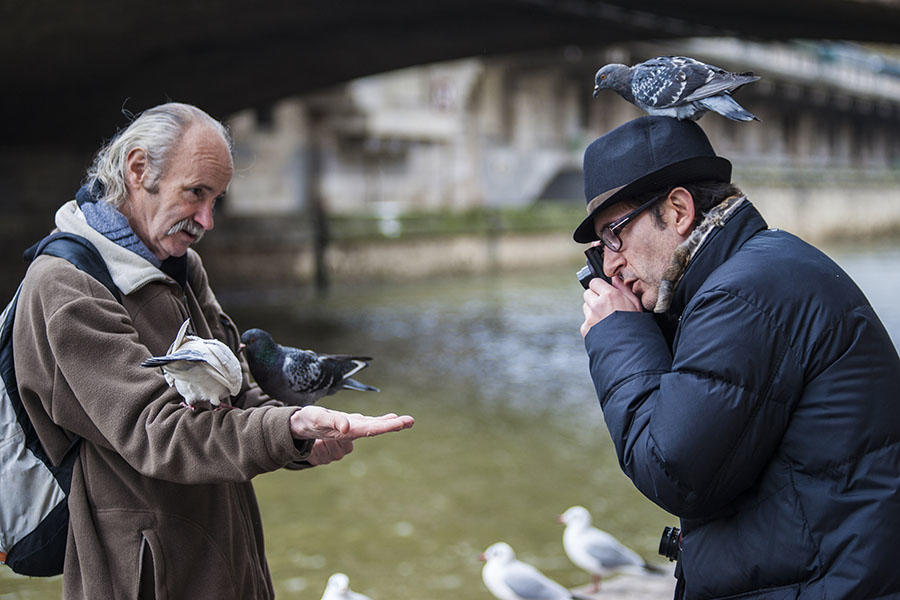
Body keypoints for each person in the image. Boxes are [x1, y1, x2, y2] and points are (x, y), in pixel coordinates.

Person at [12, 102, 414, 599]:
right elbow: (156, 433)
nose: (207, 219)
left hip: (224, 553)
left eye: (217, 199)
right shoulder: (65, 287)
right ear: (138, 170)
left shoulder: (181, 262)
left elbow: (238, 388)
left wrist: (303, 437)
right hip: (144, 574)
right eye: (196, 193)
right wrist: (283, 428)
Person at [575, 115, 900, 599]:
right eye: (601, 251)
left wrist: (618, 333)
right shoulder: (758, 270)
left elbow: (673, 470)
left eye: (615, 235)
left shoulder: (742, 296)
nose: (613, 263)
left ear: (679, 210)